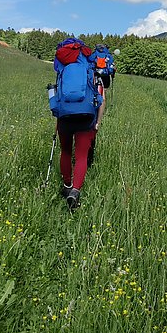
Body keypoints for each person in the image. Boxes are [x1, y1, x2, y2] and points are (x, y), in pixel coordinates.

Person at [53, 40, 106, 210]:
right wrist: (97, 121)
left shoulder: (61, 61)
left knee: (66, 151)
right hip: (86, 113)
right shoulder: (89, 60)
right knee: (82, 155)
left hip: (65, 113)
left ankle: (67, 186)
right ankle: (75, 191)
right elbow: (101, 97)